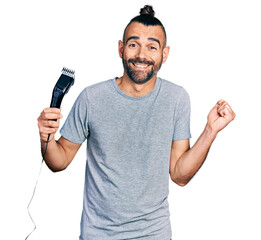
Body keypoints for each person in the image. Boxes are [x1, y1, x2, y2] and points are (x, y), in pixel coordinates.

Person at [37, 5, 236, 240]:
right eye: (133, 45)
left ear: (165, 53)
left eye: (152, 47)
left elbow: (180, 175)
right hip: (98, 235)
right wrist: (45, 137)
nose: (142, 55)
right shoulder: (92, 98)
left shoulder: (176, 98)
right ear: (121, 49)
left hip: (154, 234)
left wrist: (210, 131)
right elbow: (59, 162)